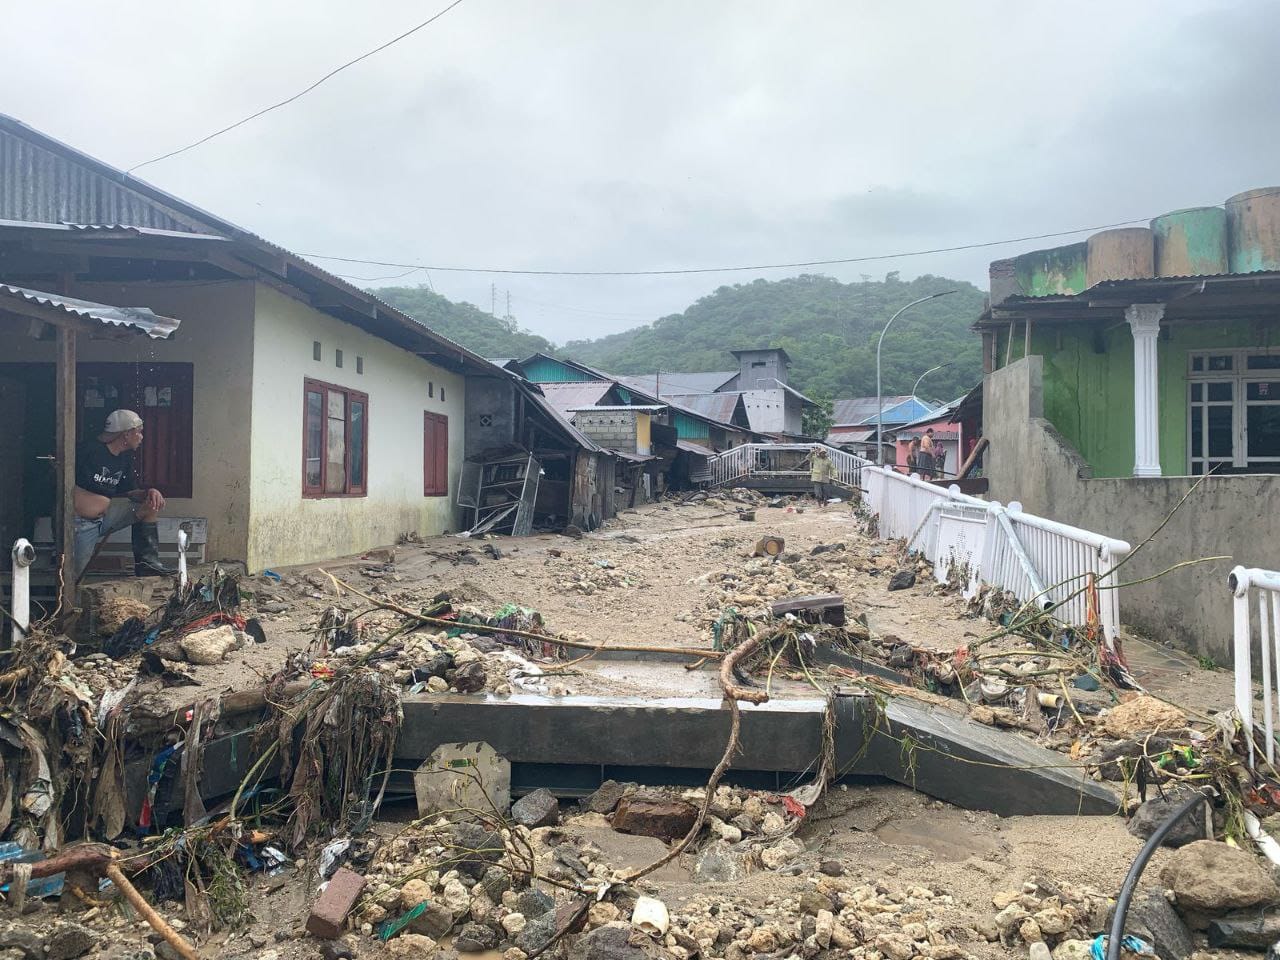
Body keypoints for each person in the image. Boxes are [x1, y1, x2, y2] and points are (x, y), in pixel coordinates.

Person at [73, 409, 169, 581]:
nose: (141, 437)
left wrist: (150, 492)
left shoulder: (124, 459)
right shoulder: (88, 451)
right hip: (80, 524)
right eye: (138, 432)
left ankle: (147, 564)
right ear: (126, 434)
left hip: (105, 518)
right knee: (75, 576)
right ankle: (65, 606)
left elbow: (130, 492)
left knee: (148, 506)